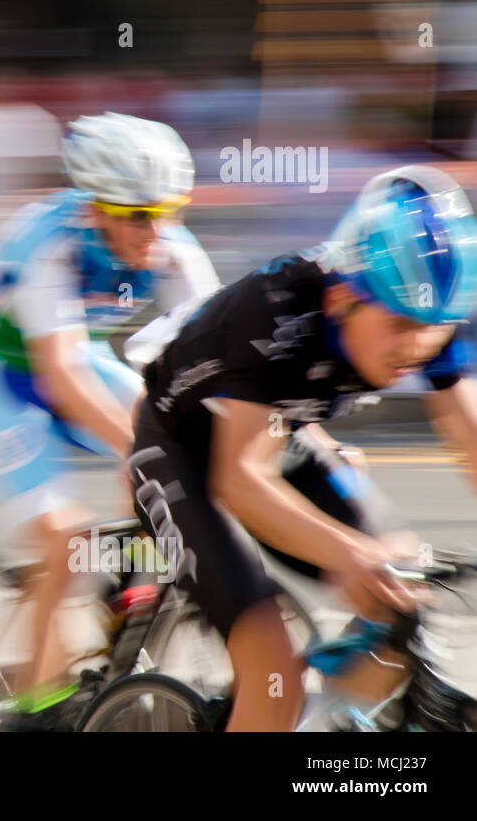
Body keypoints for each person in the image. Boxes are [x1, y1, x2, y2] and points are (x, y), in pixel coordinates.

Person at [127, 163, 477, 731]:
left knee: (401, 603)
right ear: (343, 299)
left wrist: (363, 555)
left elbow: (470, 439)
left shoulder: (419, 308)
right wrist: (349, 552)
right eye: (398, 326)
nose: (416, 347)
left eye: (432, 328)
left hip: (274, 434)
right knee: (273, 674)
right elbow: (239, 480)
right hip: (181, 452)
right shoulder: (277, 317)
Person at [0, 112, 220, 724]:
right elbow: (61, 379)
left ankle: (129, 588)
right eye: (138, 217)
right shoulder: (49, 243)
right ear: (96, 207)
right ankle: (36, 704)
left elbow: (218, 359)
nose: (156, 232)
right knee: (63, 538)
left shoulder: (167, 242)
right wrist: (142, 453)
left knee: (170, 453)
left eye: (169, 211)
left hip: (72, 354)